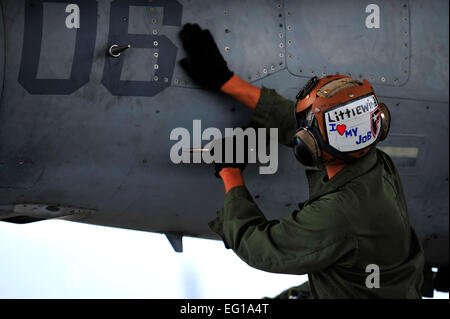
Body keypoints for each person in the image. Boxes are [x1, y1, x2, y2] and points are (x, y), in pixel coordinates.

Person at [179, 23, 425, 298]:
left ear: (310, 146)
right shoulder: (376, 162)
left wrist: (229, 172)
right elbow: (318, 129)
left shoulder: (339, 214)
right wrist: (227, 82)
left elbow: (262, 247)